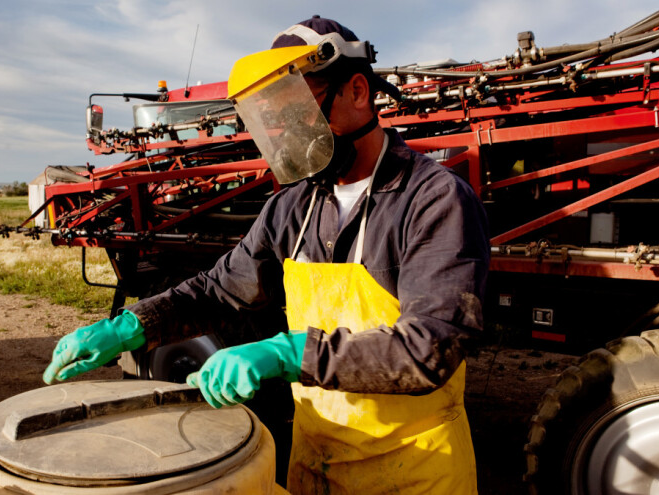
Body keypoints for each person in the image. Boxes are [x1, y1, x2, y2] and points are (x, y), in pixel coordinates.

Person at [43, 16, 489, 495]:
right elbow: (218, 291)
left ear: (357, 91)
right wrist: (132, 326)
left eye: (300, 110)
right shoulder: (293, 206)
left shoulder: (433, 199)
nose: (288, 132)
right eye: (275, 117)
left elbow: (429, 347)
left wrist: (287, 352)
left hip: (415, 473)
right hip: (317, 463)